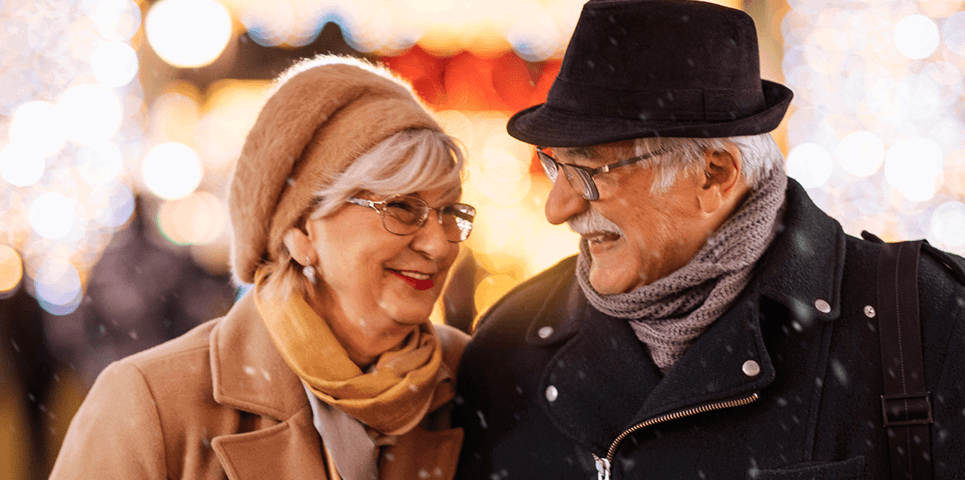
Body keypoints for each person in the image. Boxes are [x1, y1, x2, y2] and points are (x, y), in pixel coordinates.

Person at [453, 1, 965, 479]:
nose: (557, 208)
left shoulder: (928, 323)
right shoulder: (506, 349)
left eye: (589, 173)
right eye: (555, 166)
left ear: (714, 174)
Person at [50, 55, 475, 480]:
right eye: (401, 207)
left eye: (450, 213)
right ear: (301, 230)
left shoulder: (473, 376)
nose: (439, 245)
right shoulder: (149, 401)